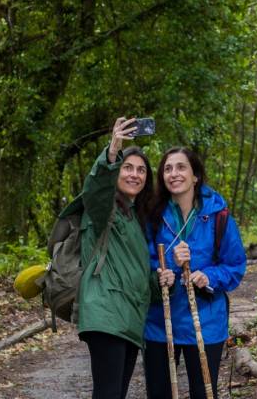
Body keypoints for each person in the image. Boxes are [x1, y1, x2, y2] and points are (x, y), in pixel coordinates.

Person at [144, 147, 246, 399]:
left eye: (181, 167)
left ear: (195, 175)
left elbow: (234, 265)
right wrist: (160, 274)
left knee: (204, 393)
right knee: (159, 393)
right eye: (167, 169)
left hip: (206, 320)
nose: (174, 174)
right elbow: (142, 261)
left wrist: (208, 277)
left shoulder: (217, 214)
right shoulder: (152, 214)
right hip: (159, 321)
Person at [76, 117, 156, 399]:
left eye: (141, 170)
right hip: (106, 311)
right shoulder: (103, 209)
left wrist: (161, 281)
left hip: (128, 317)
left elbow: (136, 272)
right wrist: (112, 152)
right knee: (109, 393)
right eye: (127, 168)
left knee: (115, 393)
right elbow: (95, 188)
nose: (135, 174)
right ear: (116, 171)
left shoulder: (135, 216)